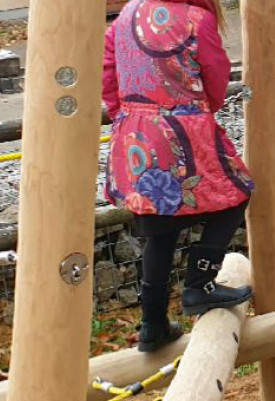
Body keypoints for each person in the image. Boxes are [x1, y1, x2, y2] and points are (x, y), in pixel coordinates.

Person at [102, 0, 255, 352]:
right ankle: (200, 282)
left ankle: (152, 324)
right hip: (182, 128)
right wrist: (197, 112)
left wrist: (125, 115)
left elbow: (108, 74)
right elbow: (216, 78)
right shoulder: (196, 20)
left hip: (133, 132)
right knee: (236, 191)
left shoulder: (126, 14)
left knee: (158, 228)